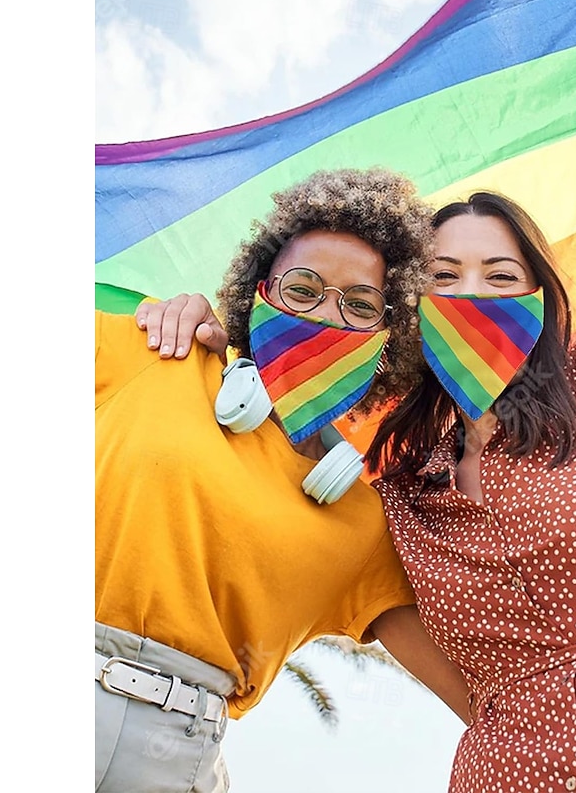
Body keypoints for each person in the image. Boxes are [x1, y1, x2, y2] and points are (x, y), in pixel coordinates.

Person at [141, 191, 576, 792]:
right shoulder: (400, 502)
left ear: (540, 297)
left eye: (501, 276)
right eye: (444, 278)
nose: (474, 296)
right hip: (509, 772)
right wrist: (208, 341)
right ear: (408, 313)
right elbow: (248, 470)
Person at [95, 167, 472, 793]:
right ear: (257, 294)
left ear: (388, 338)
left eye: (359, 304)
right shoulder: (155, 350)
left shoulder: (365, 521)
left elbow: (488, 701)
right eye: (303, 289)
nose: (328, 313)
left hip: (175, 755)